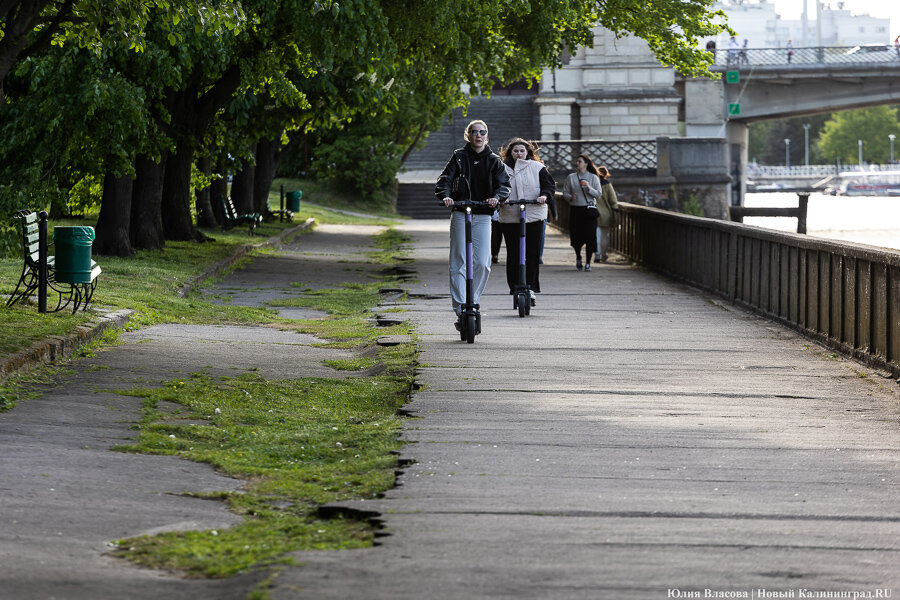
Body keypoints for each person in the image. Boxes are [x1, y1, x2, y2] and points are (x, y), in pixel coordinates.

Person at [435, 120, 510, 329]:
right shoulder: (459, 156)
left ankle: (473, 300)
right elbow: (445, 180)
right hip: (461, 211)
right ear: (469, 135)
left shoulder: (494, 160)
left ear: (487, 135)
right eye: (474, 132)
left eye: (482, 132)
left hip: (483, 214)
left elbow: (504, 184)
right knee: (458, 260)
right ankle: (460, 307)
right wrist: (446, 196)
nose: (478, 135)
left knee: (483, 262)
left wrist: (497, 197)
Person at [497, 138, 556, 305]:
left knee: (532, 252)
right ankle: (515, 285)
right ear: (510, 153)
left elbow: (549, 186)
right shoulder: (501, 169)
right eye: (515, 151)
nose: (519, 154)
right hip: (510, 215)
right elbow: (496, 187)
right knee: (514, 252)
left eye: (522, 151)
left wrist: (544, 196)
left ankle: (530, 286)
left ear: (528, 152)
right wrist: (501, 198)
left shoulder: (538, 168)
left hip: (534, 215)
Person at [561, 154, 601, 271]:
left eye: (580, 161)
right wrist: (570, 197)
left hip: (589, 210)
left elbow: (598, 194)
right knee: (576, 237)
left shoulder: (593, 177)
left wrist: (589, 188)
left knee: (590, 236)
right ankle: (578, 257)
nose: (577, 163)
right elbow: (565, 193)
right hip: (576, 209)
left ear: (586, 163)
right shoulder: (571, 177)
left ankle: (588, 262)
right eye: (577, 161)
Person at [593, 166, 620, 263]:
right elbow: (613, 200)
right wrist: (616, 210)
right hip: (606, 214)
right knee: (604, 236)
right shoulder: (607, 185)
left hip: (594, 213)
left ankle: (596, 253)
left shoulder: (593, 184)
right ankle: (603, 254)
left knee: (596, 235)